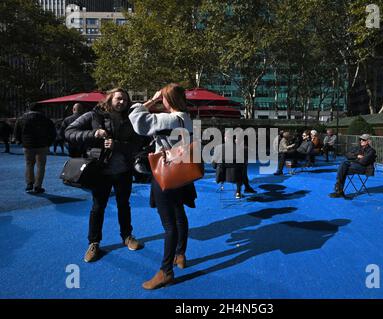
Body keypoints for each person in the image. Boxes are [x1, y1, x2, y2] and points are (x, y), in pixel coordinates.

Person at [128, 83, 197, 290]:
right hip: (183, 172)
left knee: (169, 224)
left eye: (163, 98)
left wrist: (151, 100)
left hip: (166, 173)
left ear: (168, 99)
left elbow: (137, 119)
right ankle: (180, 254)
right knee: (179, 214)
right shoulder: (186, 118)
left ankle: (166, 271)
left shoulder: (168, 119)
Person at [65, 88, 142, 263]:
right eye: (119, 98)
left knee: (124, 205)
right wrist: (93, 134)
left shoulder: (131, 117)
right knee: (98, 207)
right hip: (100, 170)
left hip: (123, 170)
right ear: (110, 99)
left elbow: (137, 143)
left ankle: (127, 236)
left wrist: (118, 145)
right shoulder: (94, 115)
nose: (122, 102)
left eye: (125, 99)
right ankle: (94, 242)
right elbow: (69, 132)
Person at [14, 103, 56, 193]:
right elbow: (52, 132)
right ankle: (38, 186)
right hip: (42, 145)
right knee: (41, 166)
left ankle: (29, 183)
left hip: (27, 145)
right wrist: (49, 142)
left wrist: (20, 141)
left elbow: (17, 131)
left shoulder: (22, 118)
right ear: (39, 109)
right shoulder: (45, 119)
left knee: (29, 164)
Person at [329, 134, 377, 198]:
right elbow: (347, 154)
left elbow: (363, 162)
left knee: (343, 167)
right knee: (344, 166)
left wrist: (353, 159)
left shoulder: (371, 151)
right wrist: (357, 156)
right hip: (354, 165)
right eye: (360, 139)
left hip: (364, 168)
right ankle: (339, 190)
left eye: (363, 140)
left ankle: (338, 190)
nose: (361, 141)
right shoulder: (358, 148)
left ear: (368, 141)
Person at [212, 131, 247, 198]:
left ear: (225, 138)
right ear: (233, 139)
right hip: (237, 176)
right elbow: (244, 163)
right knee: (242, 168)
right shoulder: (241, 148)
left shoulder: (218, 148)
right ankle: (238, 192)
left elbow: (214, 164)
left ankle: (222, 184)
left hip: (222, 176)